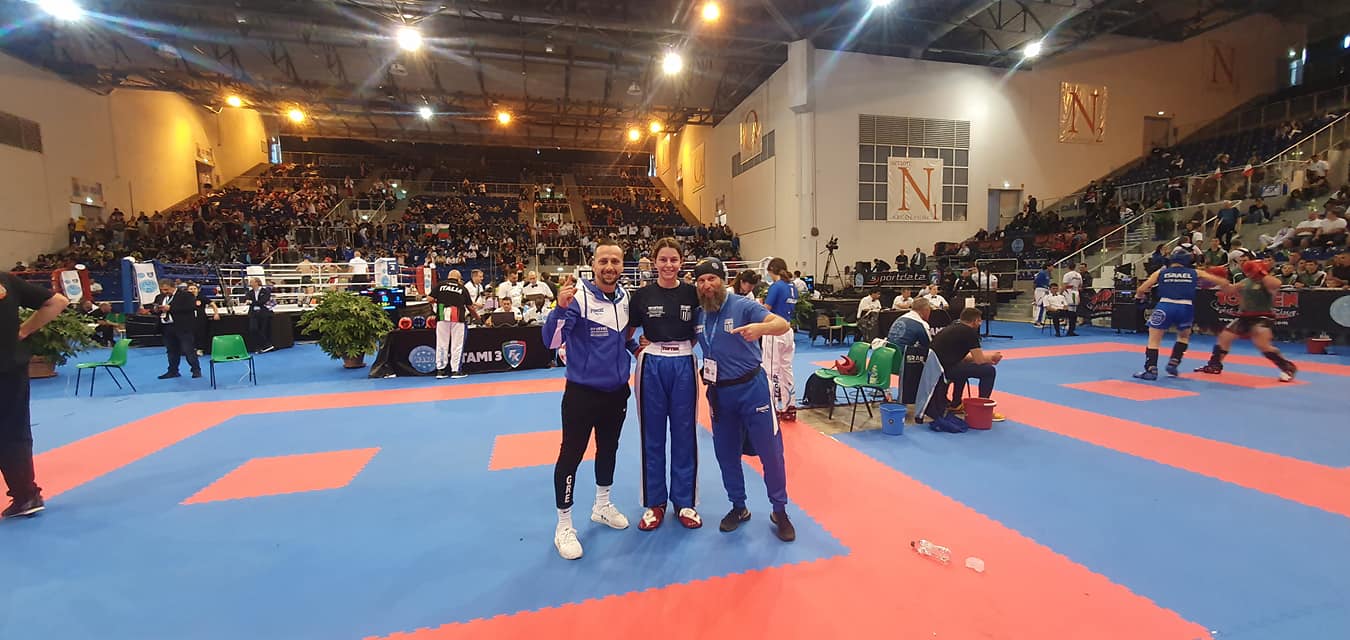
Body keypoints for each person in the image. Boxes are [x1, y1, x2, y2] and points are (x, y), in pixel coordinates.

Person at [692, 257, 797, 543]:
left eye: (712, 279)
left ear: (723, 280)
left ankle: (779, 510)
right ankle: (739, 506)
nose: (707, 285)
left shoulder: (743, 306)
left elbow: (782, 323)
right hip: (719, 394)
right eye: (701, 281)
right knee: (726, 454)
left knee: (770, 453)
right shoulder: (699, 314)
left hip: (752, 390)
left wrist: (761, 329)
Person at [541, 242, 634, 560]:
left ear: (622, 265)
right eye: (603, 261)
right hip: (582, 393)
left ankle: (602, 505)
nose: (609, 266)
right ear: (593, 264)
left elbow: (623, 339)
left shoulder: (625, 298)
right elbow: (552, 342)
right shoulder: (577, 297)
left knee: (609, 449)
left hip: (617, 391)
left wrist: (639, 348)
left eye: (615, 261)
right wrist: (559, 308)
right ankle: (563, 525)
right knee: (571, 455)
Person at [626, 238, 701, 531]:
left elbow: (699, 330)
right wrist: (637, 349)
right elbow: (627, 332)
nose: (668, 265)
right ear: (654, 262)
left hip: (683, 362)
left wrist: (685, 347)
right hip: (651, 364)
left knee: (685, 434)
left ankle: (685, 502)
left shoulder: (693, 293)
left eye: (673, 259)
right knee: (652, 435)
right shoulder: (641, 295)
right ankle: (654, 503)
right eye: (663, 259)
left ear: (681, 262)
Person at [0, 271, 68, 518]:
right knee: (13, 432)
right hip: (10, 365)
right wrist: (23, 331)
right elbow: (58, 301)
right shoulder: (5, 280)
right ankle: (26, 495)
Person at [1132, 248, 1233, 380]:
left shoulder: (1161, 272)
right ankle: (1174, 360)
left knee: (1154, 339)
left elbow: (1141, 289)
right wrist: (1212, 285)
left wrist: (1139, 298)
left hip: (1165, 305)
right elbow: (1223, 282)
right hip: (1185, 306)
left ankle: (1151, 369)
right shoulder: (1195, 272)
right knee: (1183, 336)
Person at [1194, 256, 1299, 381]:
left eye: (1251, 271)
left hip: (1262, 316)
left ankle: (1287, 368)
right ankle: (1214, 365)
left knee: (1263, 345)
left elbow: (1277, 284)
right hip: (1244, 316)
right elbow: (1230, 290)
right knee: (1225, 337)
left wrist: (1261, 273)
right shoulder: (1246, 281)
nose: (1249, 273)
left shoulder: (1265, 281)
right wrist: (1219, 280)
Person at [929, 307, 1005, 421]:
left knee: (962, 368)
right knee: (989, 371)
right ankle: (983, 408)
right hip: (945, 370)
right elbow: (979, 360)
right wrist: (992, 358)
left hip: (936, 368)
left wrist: (989, 358)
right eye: (979, 321)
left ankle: (956, 403)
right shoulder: (969, 332)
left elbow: (963, 358)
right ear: (975, 321)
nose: (980, 323)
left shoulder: (953, 327)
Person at [761, 257, 798, 421]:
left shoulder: (776, 286)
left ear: (771, 270)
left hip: (774, 330)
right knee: (786, 369)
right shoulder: (792, 286)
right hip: (788, 330)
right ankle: (790, 407)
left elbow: (766, 309)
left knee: (771, 371)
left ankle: (774, 408)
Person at [151, 280, 201, 379]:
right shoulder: (160, 297)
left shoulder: (186, 295)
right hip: (166, 327)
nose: (164, 292)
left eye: (166, 289)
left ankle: (196, 370)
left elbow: (191, 307)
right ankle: (173, 371)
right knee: (171, 351)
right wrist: (155, 310)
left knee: (188, 350)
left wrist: (171, 308)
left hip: (182, 327)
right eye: (162, 290)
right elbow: (156, 310)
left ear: (173, 287)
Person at [428, 269, 472, 379]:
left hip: (442, 315)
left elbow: (429, 299)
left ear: (448, 276)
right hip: (457, 317)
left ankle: (440, 371)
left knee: (441, 343)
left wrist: (439, 301)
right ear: (459, 278)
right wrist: (478, 317)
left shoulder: (440, 285)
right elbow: (470, 306)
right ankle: (455, 371)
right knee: (457, 345)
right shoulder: (462, 288)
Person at [245, 277, 275, 354]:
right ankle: (267, 345)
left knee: (262, 330)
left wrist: (252, 302)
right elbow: (247, 300)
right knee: (253, 329)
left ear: (257, 283)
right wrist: (253, 302)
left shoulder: (265, 291)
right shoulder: (250, 292)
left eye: (251, 282)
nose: (250, 284)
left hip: (263, 313)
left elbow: (263, 301)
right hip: (253, 313)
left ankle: (262, 347)